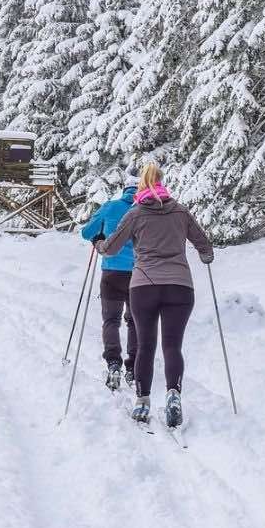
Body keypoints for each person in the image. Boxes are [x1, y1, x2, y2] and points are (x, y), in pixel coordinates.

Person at [96, 161, 213, 428]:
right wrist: (206, 256)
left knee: (146, 346)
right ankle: (173, 393)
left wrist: (99, 244)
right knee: (172, 346)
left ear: (141, 186)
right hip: (180, 287)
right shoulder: (181, 212)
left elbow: (112, 247)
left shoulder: (135, 214)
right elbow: (203, 243)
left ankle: (142, 401)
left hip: (144, 287)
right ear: (162, 183)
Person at [80, 166, 139, 391]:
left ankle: (113, 363)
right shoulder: (146, 210)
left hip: (112, 272)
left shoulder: (111, 207)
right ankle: (133, 366)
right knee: (135, 321)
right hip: (139, 274)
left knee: (111, 320)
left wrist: (100, 236)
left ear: (124, 188)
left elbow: (86, 233)